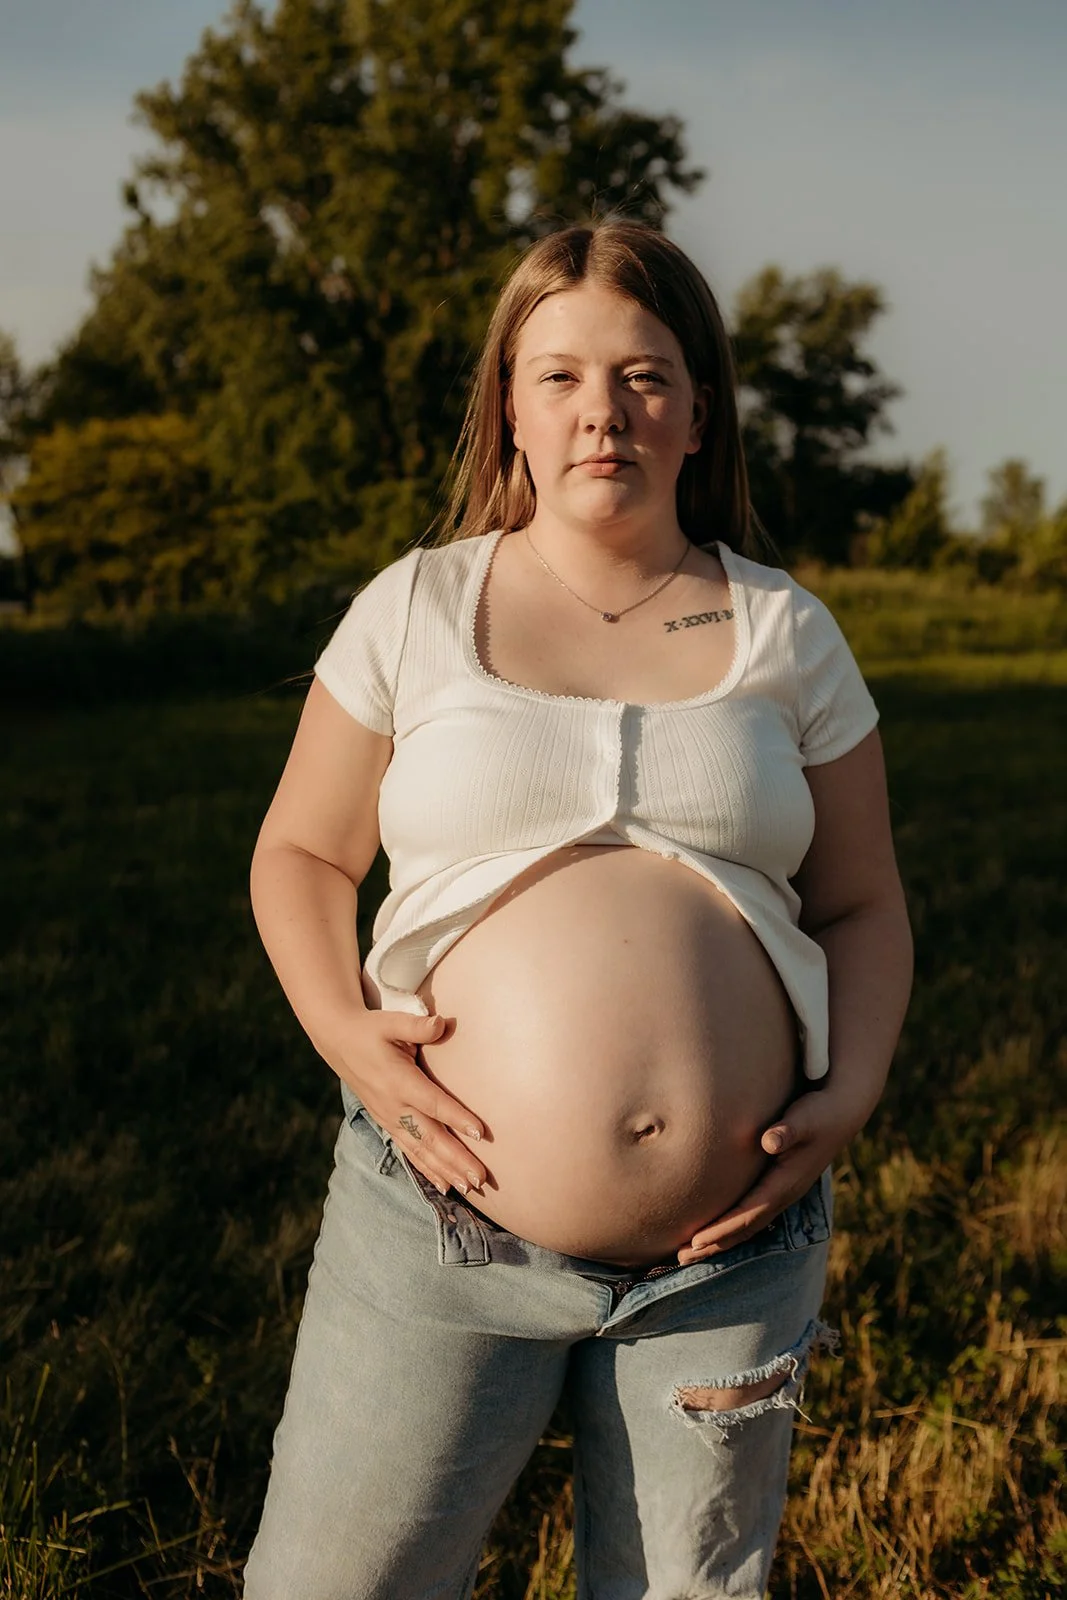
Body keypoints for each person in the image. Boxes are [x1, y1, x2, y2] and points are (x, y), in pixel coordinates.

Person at [242, 217, 913, 1599]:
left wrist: (850, 1089)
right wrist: (343, 1031)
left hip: (728, 1251)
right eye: (560, 375)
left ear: (698, 411)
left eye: (644, 374)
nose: (602, 409)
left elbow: (861, 902)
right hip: (442, 1210)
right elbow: (302, 854)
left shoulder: (787, 630)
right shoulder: (416, 606)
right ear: (511, 408)